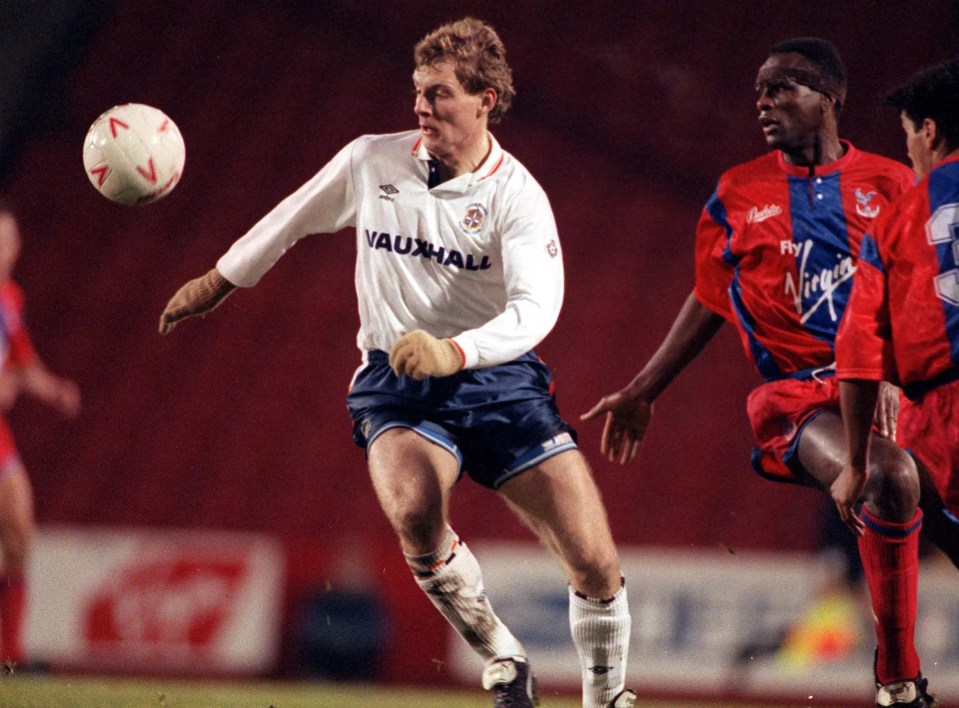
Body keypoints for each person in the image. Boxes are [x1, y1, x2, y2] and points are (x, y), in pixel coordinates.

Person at [158, 17, 635, 708]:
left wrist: (455, 349)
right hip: (398, 382)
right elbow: (290, 219)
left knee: (591, 557)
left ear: (485, 101)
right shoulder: (371, 161)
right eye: (416, 91)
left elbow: (537, 309)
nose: (420, 106)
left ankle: (605, 695)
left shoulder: (516, 197)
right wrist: (217, 281)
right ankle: (503, 657)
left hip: (497, 380)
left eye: (438, 93)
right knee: (414, 509)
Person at [582, 38, 938, 707]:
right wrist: (641, 389)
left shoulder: (892, 184)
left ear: (829, 99)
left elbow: (919, 292)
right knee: (887, 478)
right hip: (801, 400)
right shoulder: (736, 193)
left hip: (894, 388)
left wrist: (894, 369)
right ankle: (898, 679)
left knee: (915, 492)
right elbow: (709, 296)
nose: (765, 103)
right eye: (758, 93)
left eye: (784, 87)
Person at [837, 56, 959, 699]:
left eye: (909, 133)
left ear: (931, 133)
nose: (907, 148)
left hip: (941, 418)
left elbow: (858, 354)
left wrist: (857, 460)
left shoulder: (898, 219)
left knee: (901, 497)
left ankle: (900, 682)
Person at [0, 206, 80, 668]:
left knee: (19, 534)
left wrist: (54, 390)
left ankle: (11, 655)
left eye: (7, 239)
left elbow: (21, 362)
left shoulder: (11, 297)